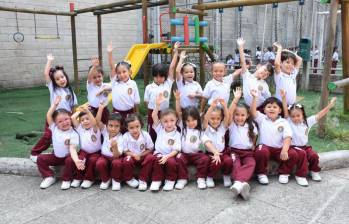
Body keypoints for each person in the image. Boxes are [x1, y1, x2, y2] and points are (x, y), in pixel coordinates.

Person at [281, 90, 337, 183]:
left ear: (303, 114)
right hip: (293, 147)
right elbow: (285, 111)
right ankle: (300, 175)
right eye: (293, 116)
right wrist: (283, 98)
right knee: (302, 154)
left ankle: (314, 171)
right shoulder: (289, 122)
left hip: (304, 147)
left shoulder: (307, 122)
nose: (295, 118)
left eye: (298, 115)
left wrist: (329, 106)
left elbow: (320, 115)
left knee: (314, 155)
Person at [30, 54, 78, 163]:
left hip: (65, 118)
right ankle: (34, 153)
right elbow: (46, 74)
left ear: (66, 77)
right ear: (54, 82)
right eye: (57, 79)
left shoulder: (70, 91)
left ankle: (61, 152)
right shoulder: (53, 89)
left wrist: (73, 119)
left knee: (64, 136)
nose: (61, 80)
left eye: (62, 77)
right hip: (53, 117)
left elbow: (74, 107)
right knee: (48, 135)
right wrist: (49, 61)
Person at [251, 92, 303, 185]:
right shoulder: (262, 119)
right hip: (265, 147)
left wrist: (284, 150)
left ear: (279, 110)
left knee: (293, 154)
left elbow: (287, 137)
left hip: (279, 149)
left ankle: (284, 173)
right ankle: (261, 173)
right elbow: (253, 112)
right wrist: (255, 98)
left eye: (275, 107)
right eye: (269, 107)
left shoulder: (284, 122)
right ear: (264, 110)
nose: (271, 109)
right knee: (260, 151)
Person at [37, 96, 83, 190]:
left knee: (69, 160)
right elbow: (49, 115)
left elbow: (72, 149)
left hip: (68, 157)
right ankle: (49, 176)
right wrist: (54, 105)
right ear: (56, 123)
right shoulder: (54, 128)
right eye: (60, 121)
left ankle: (66, 179)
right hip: (56, 156)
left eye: (66, 119)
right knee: (40, 158)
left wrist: (77, 160)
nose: (64, 122)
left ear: (70, 118)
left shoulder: (73, 134)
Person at [174, 90, 210, 190]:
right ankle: (182, 179)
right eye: (188, 121)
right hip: (184, 154)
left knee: (205, 158)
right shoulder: (183, 127)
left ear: (198, 120)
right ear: (184, 121)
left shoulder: (200, 130)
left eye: (193, 120)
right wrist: (177, 99)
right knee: (179, 157)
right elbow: (178, 112)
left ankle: (201, 178)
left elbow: (206, 118)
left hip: (196, 154)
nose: (191, 123)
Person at [144, 42, 179, 142]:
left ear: (165, 76)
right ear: (153, 76)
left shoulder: (167, 83)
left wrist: (175, 52)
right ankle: (152, 148)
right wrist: (154, 109)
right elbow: (146, 102)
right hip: (153, 112)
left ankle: (163, 147)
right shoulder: (149, 87)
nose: (159, 78)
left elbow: (172, 67)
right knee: (152, 132)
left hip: (165, 112)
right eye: (156, 76)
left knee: (165, 131)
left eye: (161, 76)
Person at [227, 87, 257, 200]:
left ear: (247, 116)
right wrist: (235, 99)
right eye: (237, 115)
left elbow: (254, 138)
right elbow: (229, 113)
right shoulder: (232, 124)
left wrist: (253, 146)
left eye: (242, 115)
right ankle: (242, 185)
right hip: (234, 152)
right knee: (236, 165)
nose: (239, 118)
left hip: (248, 152)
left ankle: (238, 184)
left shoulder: (251, 126)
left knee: (251, 163)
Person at [149, 94, 181, 191]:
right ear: (161, 122)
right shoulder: (160, 129)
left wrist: (167, 156)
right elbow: (154, 115)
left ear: (176, 120)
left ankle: (170, 180)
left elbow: (176, 149)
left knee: (171, 163)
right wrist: (157, 105)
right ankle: (156, 181)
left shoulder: (177, 133)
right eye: (166, 121)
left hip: (171, 155)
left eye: (172, 120)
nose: (169, 123)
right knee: (157, 160)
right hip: (159, 153)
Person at [202, 98, 233, 188]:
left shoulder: (222, 127)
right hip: (210, 153)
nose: (215, 121)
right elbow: (205, 118)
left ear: (221, 119)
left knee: (228, 161)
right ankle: (210, 177)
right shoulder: (207, 128)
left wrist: (224, 106)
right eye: (212, 118)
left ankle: (226, 175)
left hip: (222, 152)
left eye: (218, 118)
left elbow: (227, 117)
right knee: (216, 162)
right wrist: (211, 107)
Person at [236, 38, 273, 110]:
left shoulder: (264, 84)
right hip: (247, 107)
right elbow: (243, 62)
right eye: (265, 70)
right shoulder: (247, 76)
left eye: (268, 74)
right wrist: (240, 46)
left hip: (259, 108)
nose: (265, 73)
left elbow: (268, 98)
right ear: (258, 66)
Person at [69, 106, 101, 189]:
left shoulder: (95, 129)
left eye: (87, 119)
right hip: (84, 151)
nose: (85, 121)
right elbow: (72, 117)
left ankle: (89, 179)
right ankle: (78, 178)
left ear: (92, 118)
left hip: (96, 152)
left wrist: (87, 111)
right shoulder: (80, 128)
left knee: (92, 161)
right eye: (82, 120)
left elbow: (94, 122)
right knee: (79, 160)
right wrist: (80, 110)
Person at [95, 102, 124, 191]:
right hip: (104, 156)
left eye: (116, 126)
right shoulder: (105, 131)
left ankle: (116, 180)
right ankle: (106, 179)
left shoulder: (121, 137)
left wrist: (115, 147)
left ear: (121, 127)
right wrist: (100, 109)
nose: (113, 128)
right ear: (107, 125)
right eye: (110, 125)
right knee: (99, 163)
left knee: (117, 163)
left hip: (116, 157)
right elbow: (97, 122)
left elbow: (117, 155)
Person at [122, 114, 155, 191]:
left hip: (143, 156)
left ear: (141, 125)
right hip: (132, 157)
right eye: (131, 128)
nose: (135, 130)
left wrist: (141, 154)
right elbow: (125, 151)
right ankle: (129, 179)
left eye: (137, 127)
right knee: (127, 160)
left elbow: (150, 149)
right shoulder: (125, 136)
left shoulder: (145, 135)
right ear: (127, 128)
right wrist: (133, 155)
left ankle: (143, 180)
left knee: (151, 157)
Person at [87, 57, 110, 124]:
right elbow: (89, 77)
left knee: (105, 125)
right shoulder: (90, 86)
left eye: (99, 76)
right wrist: (94, 66)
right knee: (95, 126)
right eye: (94, 77)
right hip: (93, 110)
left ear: (102, 76)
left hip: (104, 110)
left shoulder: (105, 85)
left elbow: (113, 87)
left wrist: (104, 89)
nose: (97, 79)